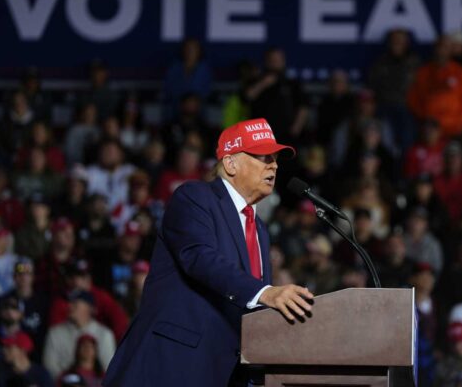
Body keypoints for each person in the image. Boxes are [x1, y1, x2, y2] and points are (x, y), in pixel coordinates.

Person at [103, 118, 314, 387]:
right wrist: (266, 292)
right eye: (263, 156)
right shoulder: (195, 197)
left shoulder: (258, 227)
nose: (273, 164)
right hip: (175, 364)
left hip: (227, 371)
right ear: (230, 163)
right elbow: (200, 258)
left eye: (274, 158)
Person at [408, 35, 462, 139]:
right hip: (430, 128)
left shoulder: (460, 72)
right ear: (434, 49)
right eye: (439, 47)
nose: (442, 51)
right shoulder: (423, 72)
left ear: (450, 51)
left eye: (445, 47)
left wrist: (460, 122)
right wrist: (424, 117)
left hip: (454, 127)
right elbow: (413, 99)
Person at [368, 28, 421, 151]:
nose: (397, 43)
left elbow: (421, 88)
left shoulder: (414, 62)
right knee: (383, 141)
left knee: (407, 142)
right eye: (394, 40)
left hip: (407, 107)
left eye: (400, 40)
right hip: (384, 106)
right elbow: (372, 85)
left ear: (406, 43)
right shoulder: (381, 62)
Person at [43, 290, 116, 379]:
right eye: (69, 303)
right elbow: (50, 369)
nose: (69, 306)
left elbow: (109, 370)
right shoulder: (54, 334)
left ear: (89, 308)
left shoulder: (104, 334)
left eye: (75, 303)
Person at [162, 38, 212, 120]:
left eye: (193, 49)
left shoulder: (205, 70)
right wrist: (183, 102)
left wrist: (192, 102)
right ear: (183, 50)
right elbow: (169, 90)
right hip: (176, 109)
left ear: (199, 51)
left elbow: (205, 92)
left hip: (198, 110)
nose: (190, 52)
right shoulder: (174, 69)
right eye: (188, 49)